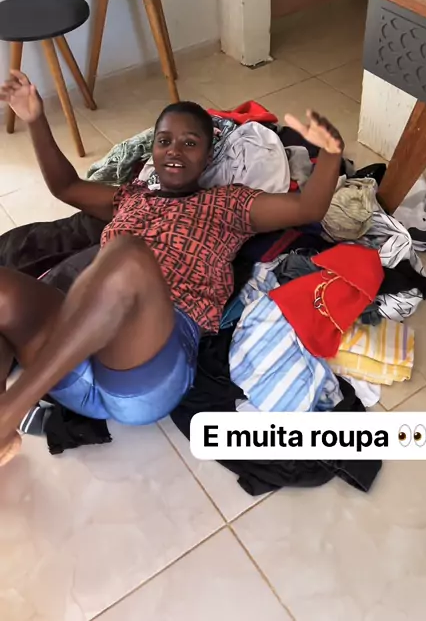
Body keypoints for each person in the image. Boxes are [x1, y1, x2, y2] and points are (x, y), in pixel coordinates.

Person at [0, 70, 344, 465]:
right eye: (164, 141)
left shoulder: (228, 204)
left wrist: (331, 153)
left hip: (145, 370)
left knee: (128, 256)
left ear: (208, 156)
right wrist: (35, 119)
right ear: (152, 152)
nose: (175, 151)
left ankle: (8, 414)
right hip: (72, 357)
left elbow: (307, 208)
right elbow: (65, 186)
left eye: (190, 143)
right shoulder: (131, 197)